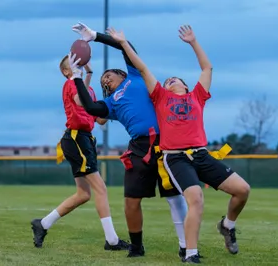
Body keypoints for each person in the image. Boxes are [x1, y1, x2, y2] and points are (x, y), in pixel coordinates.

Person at [104, 25, 251, 263]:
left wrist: (193, 42)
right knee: (195, 199)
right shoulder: (161, 96)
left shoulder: (197, 96)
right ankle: (190, 253)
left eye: (174, 79)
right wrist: (123, 43)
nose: (170, 81)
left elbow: (207, 67)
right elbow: (141, 68)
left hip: (201, 155)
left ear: (185, 85)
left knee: (243, 190)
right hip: (176, 157)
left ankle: (227, 225)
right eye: (167, 80)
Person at [69, 22, 191, 259]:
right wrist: (76, 77)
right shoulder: (111, 103)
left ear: (122, 73)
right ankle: (136, 247)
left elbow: (127, 48)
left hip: (165, 143)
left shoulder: (135, 75)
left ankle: (186, 246)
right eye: (102, 80)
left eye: (108, 74)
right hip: (139, 147)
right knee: (131, 200)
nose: (105, 79)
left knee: (174, 196)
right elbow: (92, 107)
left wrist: (95, 36)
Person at [30, 57, 129, 252]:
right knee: (101, 188)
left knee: (83, 194)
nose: (79, 67)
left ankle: (42, 224)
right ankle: (112, 240)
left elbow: (99, 119)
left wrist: (113, 103)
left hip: (84, 139)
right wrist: (86, 76)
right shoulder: (70, 84)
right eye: (74, 65)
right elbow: (78, 100)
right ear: (67, 72)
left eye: (80, 64)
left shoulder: (88, 90)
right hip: (76, 139)